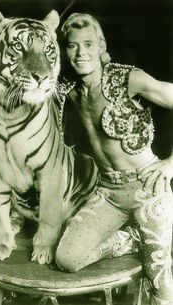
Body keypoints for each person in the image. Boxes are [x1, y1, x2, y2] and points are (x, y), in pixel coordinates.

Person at [55, 13, 173, 305]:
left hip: (148, 189)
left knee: (159, 281)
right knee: (67, 258)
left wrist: (171, 164)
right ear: (64, 50)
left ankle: (148, 242)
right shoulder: (66, 94)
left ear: (101, 46)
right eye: (72, 46)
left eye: (88, 44)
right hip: (108, 193)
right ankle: (134, 238)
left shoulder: (129, 78)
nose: (81, 53)